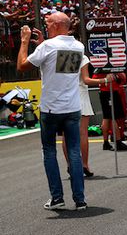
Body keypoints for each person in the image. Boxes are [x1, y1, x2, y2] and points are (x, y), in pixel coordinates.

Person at [16, 12, 86, 211]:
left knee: (49, 152)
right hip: (72, 107)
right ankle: (80, 199)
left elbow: (22, 66)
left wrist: (24, 41)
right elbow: (57, 59)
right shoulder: (78, 46)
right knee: (74, 152)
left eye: (47, 23)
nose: (45, 26)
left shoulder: (48, 46)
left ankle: (57, 197)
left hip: (51, 108)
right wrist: (43, 43)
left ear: (56, 25)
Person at [62, 54, 108, 177]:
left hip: (65, 97)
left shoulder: (62, 56)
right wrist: (105, 80)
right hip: (80, 96)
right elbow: (86, 79)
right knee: (82, 133)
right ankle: (84, 164)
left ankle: (70, 165)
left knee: (66, 134)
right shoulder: (81, 57)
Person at [93, 70, 127, 151]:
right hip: (110, 91)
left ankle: (106, 142)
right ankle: (117, 141)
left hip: (104, 91)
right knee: (113, 117)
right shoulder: (110, 67)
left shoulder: (99, 67)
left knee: (106, 117)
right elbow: (123, 78)